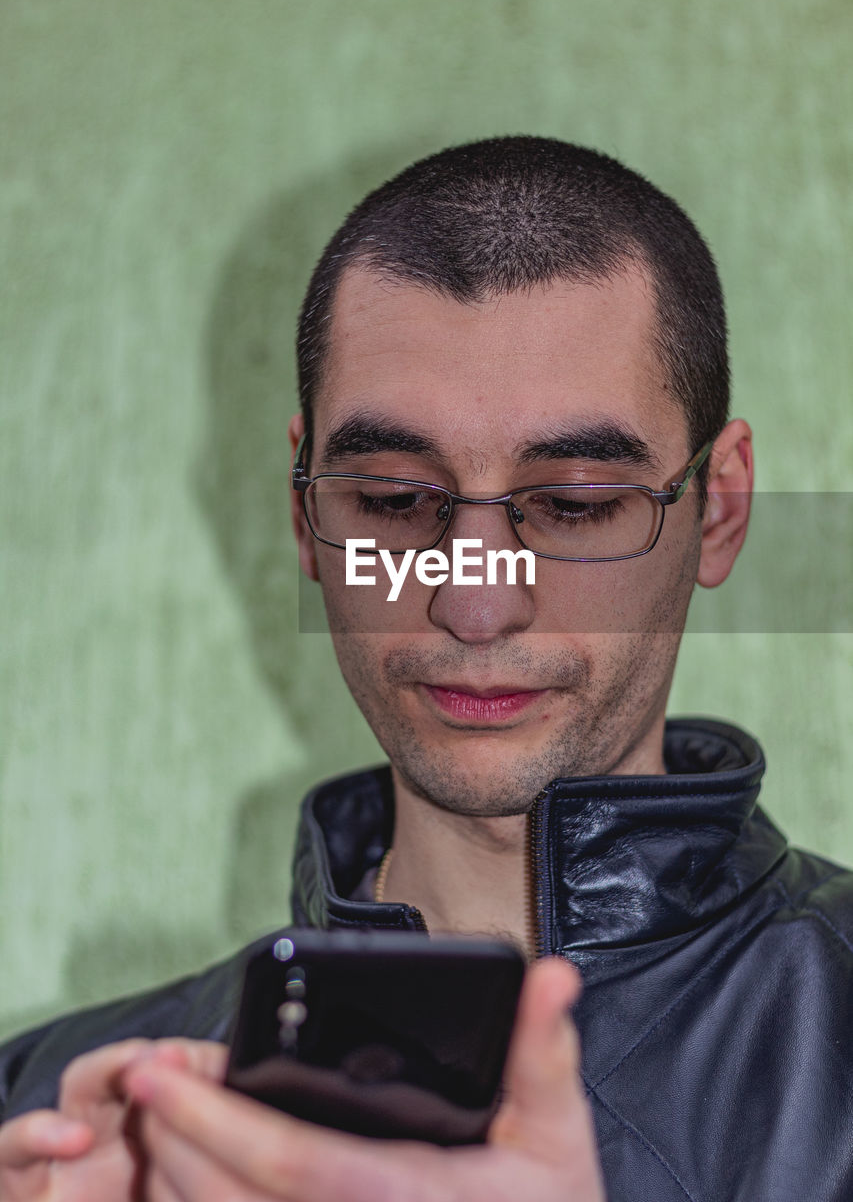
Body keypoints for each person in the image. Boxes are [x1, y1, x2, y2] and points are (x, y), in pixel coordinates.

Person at [1, 136, 851, 1202]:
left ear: (719, 506)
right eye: (395, 502)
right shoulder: (45, 1111)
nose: (475, 599)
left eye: (576, 503)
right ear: (307, 516)